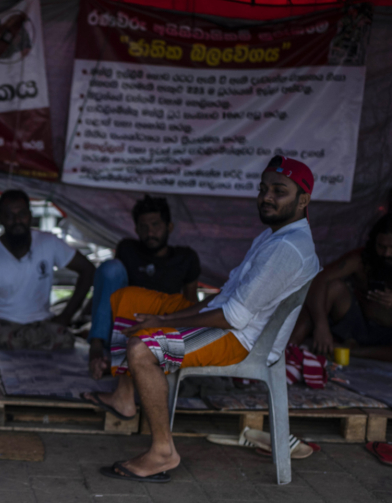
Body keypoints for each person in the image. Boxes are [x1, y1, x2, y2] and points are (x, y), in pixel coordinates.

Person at [85, 156, 321, 482]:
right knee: (127, 299)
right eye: (263, 189)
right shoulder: (274, 236)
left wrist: (162, 324)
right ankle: (124, 398)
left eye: (279, 191)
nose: (266, 197)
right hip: (228, 320)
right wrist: (164, 316)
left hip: (240, 339)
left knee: (141, 348)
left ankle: (163, 452)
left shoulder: (288, 249)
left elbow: (233, 316)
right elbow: (225, 295)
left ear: (303, 199)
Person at [289, 213, 392, 366]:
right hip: (356, 325)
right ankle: (288, 349)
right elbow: (318, 280)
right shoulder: (363, 258)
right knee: (331, 287)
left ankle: (356, 352)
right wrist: (321, 326)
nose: (387, 253)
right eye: (381, 246)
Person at [88, 196, 202, 379]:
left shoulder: (185, 258)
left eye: (156, 225)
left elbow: (191, 303)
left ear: (169, 227)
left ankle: (121, 362)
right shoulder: (128, 249)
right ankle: (97, 347)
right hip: (125, 328)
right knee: (111, 268)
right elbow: (110, 287)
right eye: (143, 227)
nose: (150, 233)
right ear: (136, 229)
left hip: (162, 329)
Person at [0, 189, 96, 350]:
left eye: (22, 214)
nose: (17, 220)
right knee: (7, 340)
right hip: (6, 325)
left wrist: (67, 315)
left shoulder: (49, 242)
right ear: (0, 219)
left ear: (30, 215)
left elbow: (88, 270)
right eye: (10, 216)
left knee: (65, 339)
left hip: (43, 323)